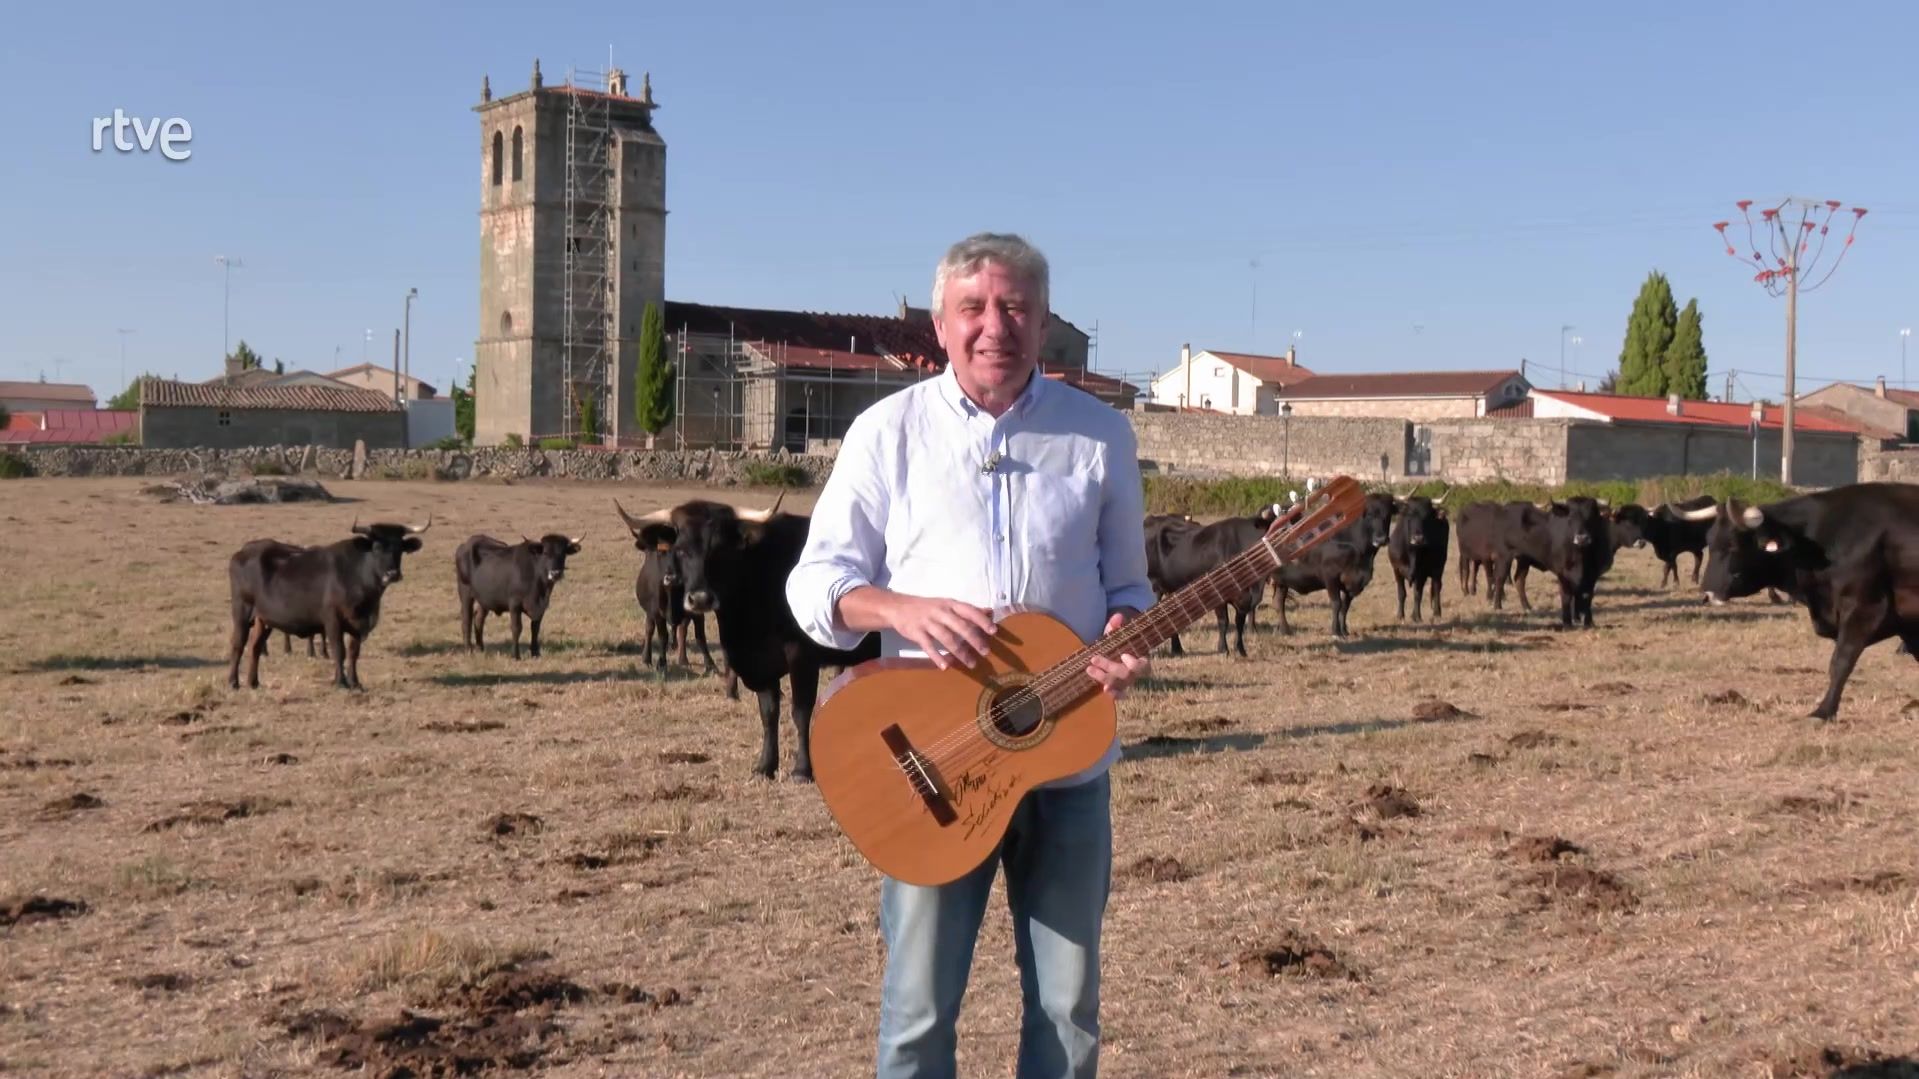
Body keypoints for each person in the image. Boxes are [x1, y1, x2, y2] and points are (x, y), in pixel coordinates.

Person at [786, 232, 1155, 1079]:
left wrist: (1124, 636)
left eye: (1015, 307)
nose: (996, 326)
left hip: (1066, 768)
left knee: (1067, 1012)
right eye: (974, 308)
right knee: (916, 1015)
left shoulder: (1101, 436)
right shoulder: (887, 433)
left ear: (1044, 321)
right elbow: (815, 584)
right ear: (941, 325)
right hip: (931, 771)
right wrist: (899, 607)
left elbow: (1130, 589)